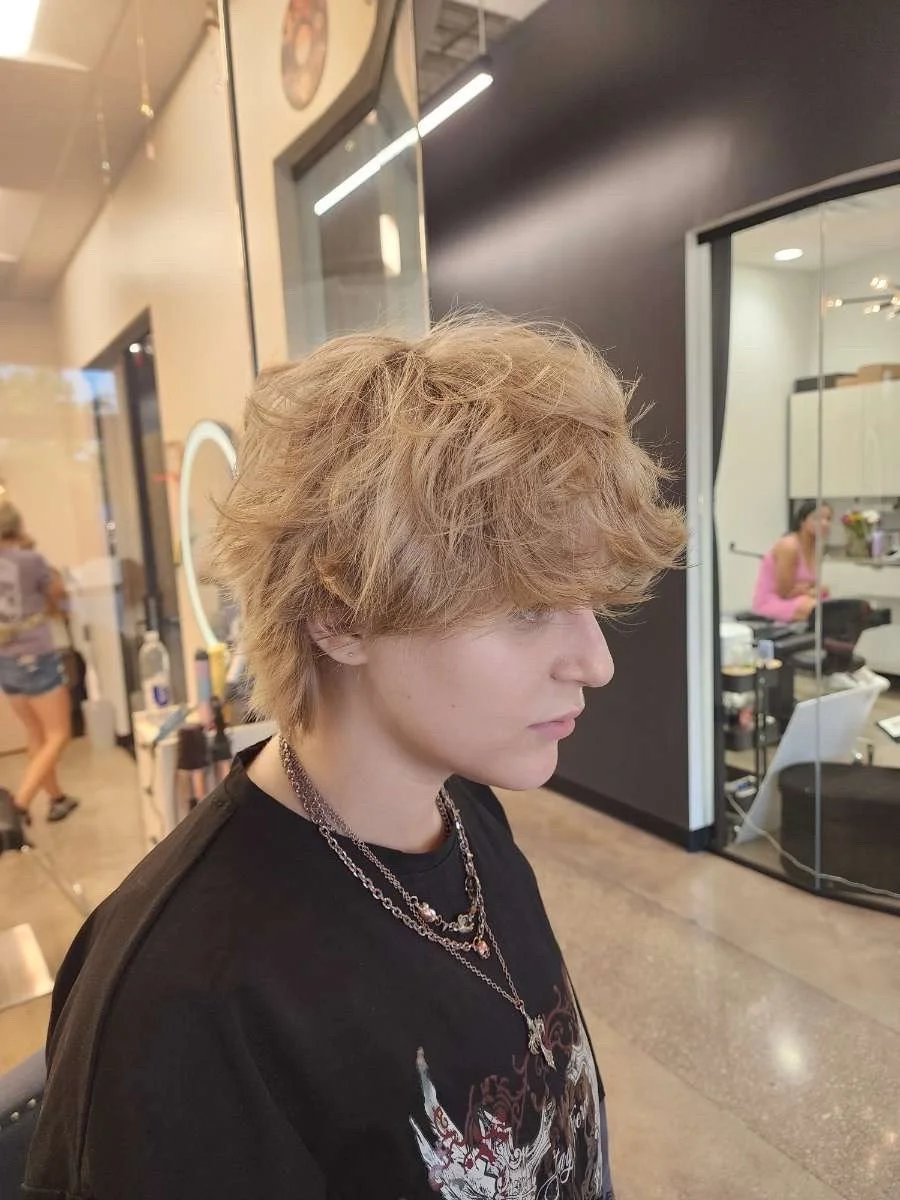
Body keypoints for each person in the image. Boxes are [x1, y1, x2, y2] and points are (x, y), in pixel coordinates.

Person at [25, 316, 685, 1200]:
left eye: (589, 604)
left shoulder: (466, 812)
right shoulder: (183, 1000)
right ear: (341, 616)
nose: (596, 663)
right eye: (529, 609)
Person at [0, 499, 78, 832]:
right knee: (59, 734)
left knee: (36, 733)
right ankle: (16, 809)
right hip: (36, 657)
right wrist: (30, 547)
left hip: (6, 659)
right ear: (17, 526)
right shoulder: (28, 560)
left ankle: (56, 798)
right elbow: (57, 592)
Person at [751, 500, 832, 623]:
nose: (824, 523)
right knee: (820, 610)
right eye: (817, 518)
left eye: (828, 519)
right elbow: (785, 593)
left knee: (837, 607)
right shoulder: (789, 546)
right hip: (774, 602)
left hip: (801, 599)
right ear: (802, 522)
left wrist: (814, 589)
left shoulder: (815, 548)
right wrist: (811, 591)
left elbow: (809, 584)